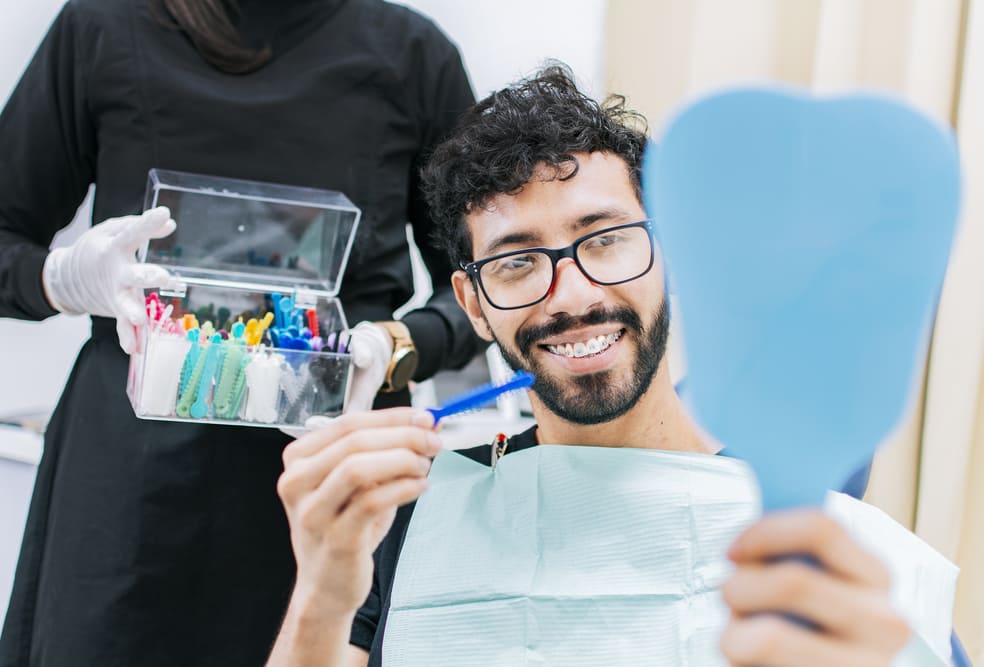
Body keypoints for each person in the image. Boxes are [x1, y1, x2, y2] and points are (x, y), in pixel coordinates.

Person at [268, 66, 955, 666]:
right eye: (517, 261)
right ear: (474, 305)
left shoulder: (808, 542)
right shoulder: (410, 526)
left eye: (607, 240)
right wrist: (322, 595)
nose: (574, 296)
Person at [0, 1, 480, 665]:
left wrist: (396, 344)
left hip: (331, 480)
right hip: (129, 498)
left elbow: (483, 278)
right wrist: (63, 277)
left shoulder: (413, 55)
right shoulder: (104, 25)